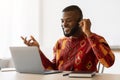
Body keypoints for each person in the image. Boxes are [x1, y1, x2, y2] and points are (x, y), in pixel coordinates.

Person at [21, 5, 115, 72]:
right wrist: (37, 51)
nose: (64, 24)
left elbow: (109, 63)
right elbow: (53, 69)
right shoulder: (60, 43)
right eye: (62, 21)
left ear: (80, 22)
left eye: (68, 21)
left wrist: (88, 33)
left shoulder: (94, 39)